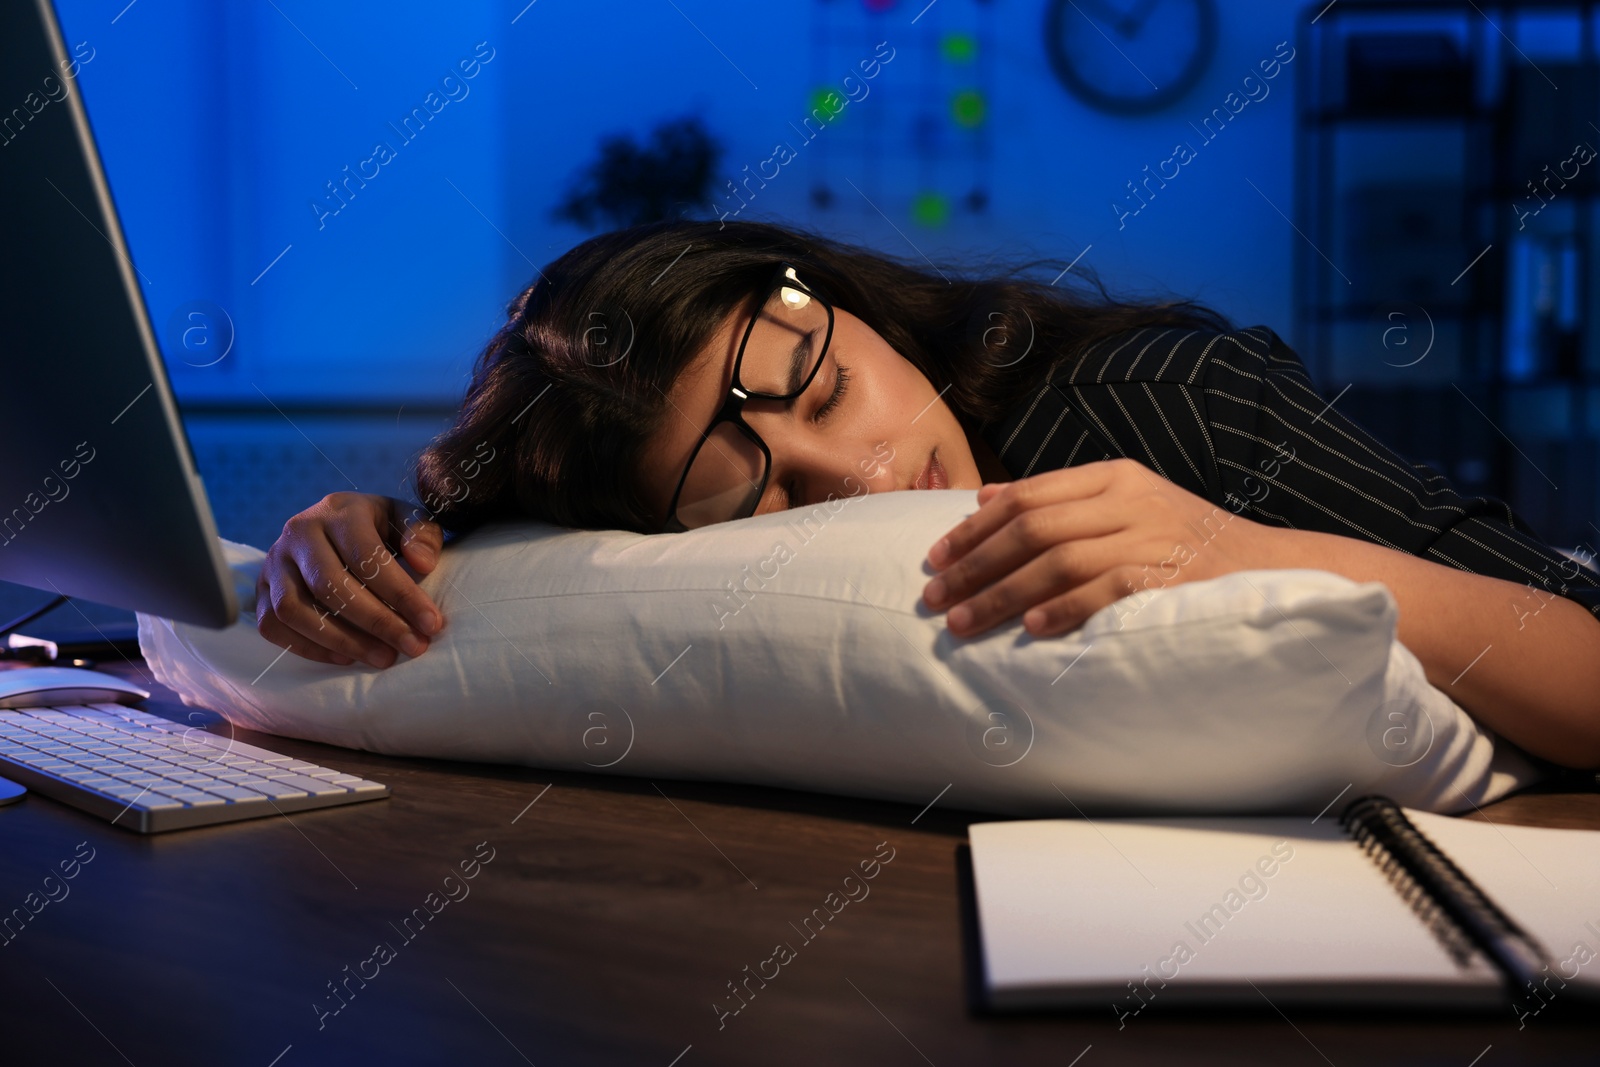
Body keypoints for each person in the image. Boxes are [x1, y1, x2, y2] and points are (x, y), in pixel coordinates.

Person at [254, 219, 1600, 770]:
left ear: (849, 308)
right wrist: (372, 534)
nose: (877, 475)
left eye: (832, 393)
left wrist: (1237, 546)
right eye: (759, 508)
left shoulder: (1165, 405)